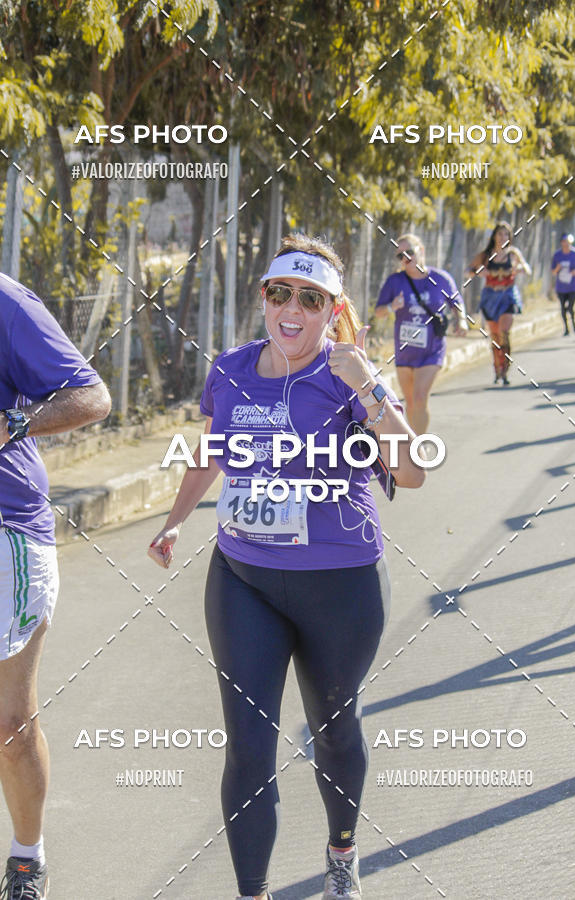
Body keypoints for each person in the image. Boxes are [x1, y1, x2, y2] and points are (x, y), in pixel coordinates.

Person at [148, 234, 425, 900]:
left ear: (333, 310)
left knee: (333, 733)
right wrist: (176, 518)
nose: (291, 309)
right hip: (242, 581)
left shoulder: (348, 373)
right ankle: (252, 892)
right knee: (248, 747)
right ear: (264, 298)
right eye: (280, 293)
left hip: (342, 586)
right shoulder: (231, 369)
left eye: (310, 298)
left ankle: (341, 853)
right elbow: (212, 450)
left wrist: (372, 391)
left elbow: (411, 473)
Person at [0, 273, 111, 899]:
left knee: (9, 727)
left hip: (7, 531)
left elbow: (91, 397)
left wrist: (12, 421)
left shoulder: (6, 303)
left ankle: (26, 857)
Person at [374, 233, 467, 434]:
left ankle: (419, 446)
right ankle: (414, 439)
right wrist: (392, 306)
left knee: (419, 397)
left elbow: (456, 303)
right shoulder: (395, 281)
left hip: (432, 348)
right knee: (410, 402)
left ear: (421, 251)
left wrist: (462, 321)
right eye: (400, 256)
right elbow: (378, 312)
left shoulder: (440, 279)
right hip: (405, 350)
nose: (406, 258)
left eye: (409, 252)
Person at [468, 221, 531, 385]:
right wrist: (480, 272)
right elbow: (470, 271)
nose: (503, 237)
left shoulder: (513, 254)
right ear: (494, 236)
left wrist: (519, 269)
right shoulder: (486, 256)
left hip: (508, 295)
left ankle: (505, 368)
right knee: (495, 336)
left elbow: (527, 268)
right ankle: (497, 366)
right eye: (500, 234)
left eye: (506, 234)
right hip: (491, 296)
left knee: (504, 332)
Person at [551, 233, 575, 336]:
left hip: (573, 286)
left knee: (570, 307)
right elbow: (553, 271)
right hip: (561, 287)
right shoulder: (557, 255)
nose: (566, 244)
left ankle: (574, 323)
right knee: (562, 308)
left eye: (568, 242)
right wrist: (558, 268)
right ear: (561, 243)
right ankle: (566, 328)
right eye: (564, 241)